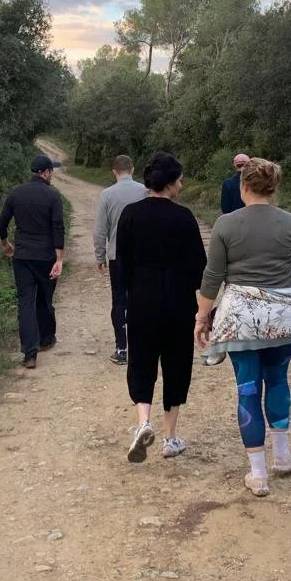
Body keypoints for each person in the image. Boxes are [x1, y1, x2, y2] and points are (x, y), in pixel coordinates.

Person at [195, 158, 291, 498]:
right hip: (283, 322)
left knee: (248, 389)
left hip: (240, 324)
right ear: (274, 187)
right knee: (278, 380)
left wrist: (202, 318)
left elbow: (213, 277)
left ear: (243, 187)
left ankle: (258, 474)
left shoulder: (225, 224)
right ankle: (282, 455)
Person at [116, 152, 207, 463]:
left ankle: (143, 422)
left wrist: (128, 292)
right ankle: (169, 438)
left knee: (141, 361)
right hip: (178, 303)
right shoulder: (184, 217)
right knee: (176, 365)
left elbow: (122, 262)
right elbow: (199, 267)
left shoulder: (130, 214)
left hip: (142, 300)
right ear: (169, 183)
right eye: (179, 180)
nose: (181, 185)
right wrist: (202, 304)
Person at [0, 154, 64, 370]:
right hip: (46, 257)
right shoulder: (53, 196)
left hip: (23, 256)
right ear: (46, 172)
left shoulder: (16, 194)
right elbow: (58, 227)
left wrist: (6, 243)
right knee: (44, 298)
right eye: (51, 172)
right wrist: (59, 258)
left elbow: (1, 223)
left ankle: (29, 353)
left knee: (26, 301)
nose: (51, 176)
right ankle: (46, 338)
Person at [93, 155, 148, 364]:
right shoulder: (144, 191)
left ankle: (121, 347)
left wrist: (100, 255)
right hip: (143, 255)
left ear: (114, 172)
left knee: (119, 301)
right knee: (143, 299)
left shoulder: (107, 194)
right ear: (132, 170)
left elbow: (100, 229)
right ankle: (143, 346)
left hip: (118, 255)